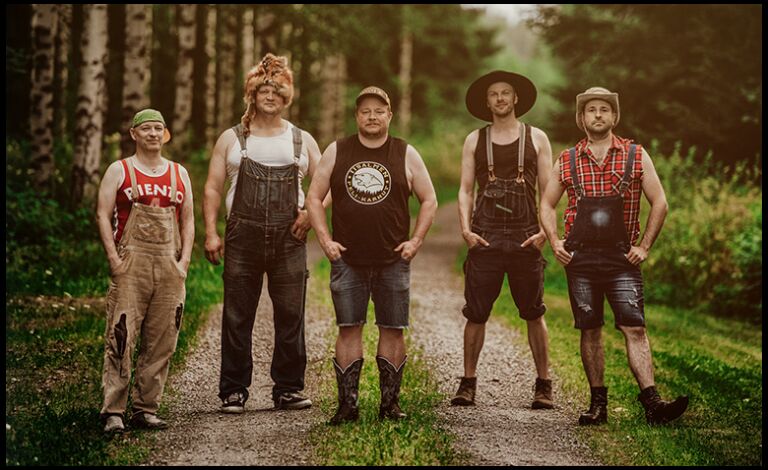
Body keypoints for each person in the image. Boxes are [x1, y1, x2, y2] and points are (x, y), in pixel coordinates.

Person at [540, 87, 689, 425]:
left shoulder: (636, 155)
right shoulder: (567, 159)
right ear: (581, 118)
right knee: (589, 329)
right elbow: (547, 205)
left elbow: (660, 203)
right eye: (591, 110)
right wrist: (555, 241)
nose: (597, 115)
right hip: (580, 261)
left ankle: (653, 404)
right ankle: (598, 406)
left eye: (604, 110)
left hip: (622, 259)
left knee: (634, 327)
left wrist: (644, 246)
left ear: (614, 116)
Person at [305, 86, 437, 424]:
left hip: (393, 259)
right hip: (347, 259)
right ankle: (347, 406)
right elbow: (314, 198)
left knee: (393, 329)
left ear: (390, 115)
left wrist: (416, 241)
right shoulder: (337, 150)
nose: (372, 116)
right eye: (365, 111)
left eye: (379, 110)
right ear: (356, 116)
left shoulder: (405, 152)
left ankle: (389, 405)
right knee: (349, 328)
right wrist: (325, 240)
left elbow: (429, 199)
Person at [203, 53, 323, 413]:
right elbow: (212, 187)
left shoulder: (301, 139)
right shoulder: (232, 138)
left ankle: (288, 388)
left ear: (286, 98)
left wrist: (310, 215)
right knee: (238, 314)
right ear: (252, 96)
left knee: (290, 314)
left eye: (277, 91)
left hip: (290, 237)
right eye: (263, 90)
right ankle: (234, 391)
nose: (269, 96)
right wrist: (211, 233)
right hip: (243, 235)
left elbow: (325, 183)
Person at [451, 71, 554, 409]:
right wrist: (466, 231)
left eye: (505, 93)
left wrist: (545, 232)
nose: (499, 98)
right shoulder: (474, 140)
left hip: (527, 237)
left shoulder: (536, 138)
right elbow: (466, 191)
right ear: (487, 101)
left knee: (534, 312)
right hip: (486, 237)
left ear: (516, 98)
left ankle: (544, 385)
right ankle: (467, 384)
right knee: (475, 313)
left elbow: (548, 194)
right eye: (493, 94)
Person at [96, 109, 194, 433]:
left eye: (158, 128)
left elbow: (188, 220)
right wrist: (113, 259)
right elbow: (102, 214)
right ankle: (114, 411)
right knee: (122, 335)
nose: (153, 134)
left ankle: (146, 408)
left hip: (169, 263)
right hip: (130, 263)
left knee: (163, 338)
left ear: (165, 134)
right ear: (134, 134)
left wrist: (184, 263)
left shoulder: (179, 173)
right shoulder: (119, 170)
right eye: (146, 128)